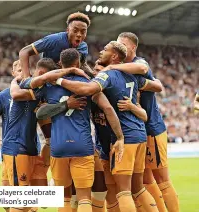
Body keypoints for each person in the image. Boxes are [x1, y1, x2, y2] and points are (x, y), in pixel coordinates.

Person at [55, 41, 163, 212]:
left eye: (105, 50)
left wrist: (59, 80)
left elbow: (90, 88)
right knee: (135, 188)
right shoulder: (130, 75)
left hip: (125, 137)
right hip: (136, 136)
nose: (101, 52)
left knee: (124, 192)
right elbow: (155, 86)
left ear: (114, 56)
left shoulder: (108, 76)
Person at [24, 48, 124, 212]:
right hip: (82, 146)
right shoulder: (89, 85)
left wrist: (61, 103)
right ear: (78, 63)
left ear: (60, 64)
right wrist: (120, 136)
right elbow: (108, 109)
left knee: (64, 198)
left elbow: (40, 112)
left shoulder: (50, 85)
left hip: (58, 147)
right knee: (85, 198)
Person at [117, 32, 179, 212]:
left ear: (133, 48)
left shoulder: (139, 63)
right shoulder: (121, 69)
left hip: (152, 128)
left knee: (162, 179)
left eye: (124, 44)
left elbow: (145, 71)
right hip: (136, 133)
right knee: (144, 180)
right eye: (118, 43)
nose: (120, 47)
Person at [0, 60, 22, 212]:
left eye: (24, 69)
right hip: (7, 150)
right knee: (6, 201)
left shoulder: (35, 93)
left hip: (27, 149)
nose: (22, 72)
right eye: (18, 70)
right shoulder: (3, 96)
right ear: (13, 73)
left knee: (22, 198)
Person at [19, 12, 94, 79]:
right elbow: (24, 51)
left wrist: (94, 76)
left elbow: (83, 64)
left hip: (66, 80)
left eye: (83, 32)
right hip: (46, 79)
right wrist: (26, 77)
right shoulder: (55, 40)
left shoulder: (83, 47)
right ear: (68, 30)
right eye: (75, 31)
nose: (79, 35)